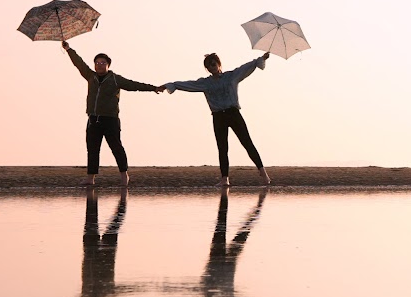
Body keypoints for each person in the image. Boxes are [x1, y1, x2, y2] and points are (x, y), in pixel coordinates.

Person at [164, 51, 273, 186]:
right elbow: (189, 85)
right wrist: (171, 85)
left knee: (247, 143)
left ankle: (263, 174)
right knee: (222, 148)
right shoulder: (205, 83)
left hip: (233, 114)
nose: (211, 67)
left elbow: (246, 68)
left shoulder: (231, 77)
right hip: (218, 116)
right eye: (208, 66)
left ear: (218, 64)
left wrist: (261, 59)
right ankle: (224, 179)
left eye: (213, 64)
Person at [63, 41, 163, 187]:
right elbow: (79, 63)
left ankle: (124, 176)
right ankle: (90, 178)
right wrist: (68, 49)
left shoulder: (115, 79)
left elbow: (133, 85)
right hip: (93, 119)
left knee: (116, 147)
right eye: (97, 62)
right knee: (92, 148)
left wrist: (153, 88)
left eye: (103, 63)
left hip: (110, 119)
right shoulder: (90, 76)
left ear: (108, 65)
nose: (99, 65)